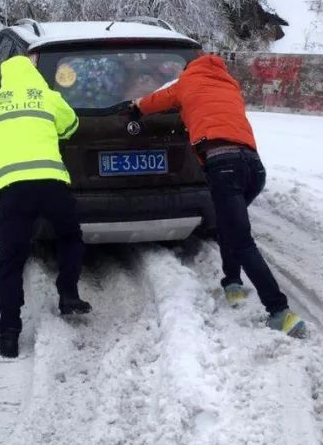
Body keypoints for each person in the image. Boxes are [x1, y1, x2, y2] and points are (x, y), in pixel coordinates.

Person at [128, 53, 307, 338]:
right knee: (228, 224)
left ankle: (280, 312)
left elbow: (154, 102)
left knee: (242, 240)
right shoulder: (229, 84)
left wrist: (136, 106)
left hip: (223, 165)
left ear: (189, 69)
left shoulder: (187, 83)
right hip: (253, 167)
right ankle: (232, 283)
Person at [0, 55, 92, 358]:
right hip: (50, 183)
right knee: (69, 236)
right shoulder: (47, 96)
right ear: (32, 74)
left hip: (11, 189)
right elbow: (71, 125)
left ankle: (9, 333)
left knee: (10, 260)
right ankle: (68, 294)